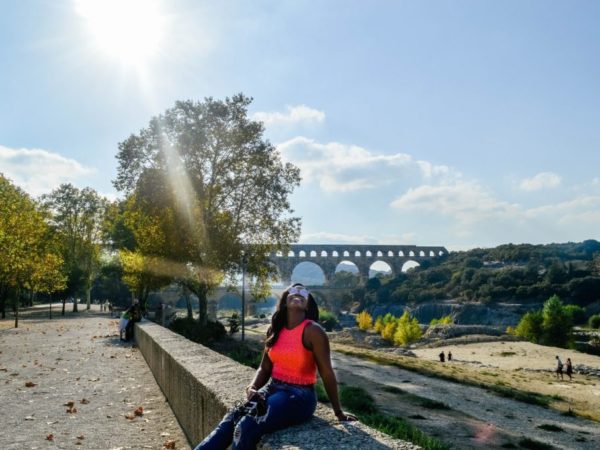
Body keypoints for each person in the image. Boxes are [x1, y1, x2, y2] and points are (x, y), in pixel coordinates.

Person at [194, 283, 356, 450]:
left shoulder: (314, 331)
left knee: (246, 426)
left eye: (303, 293)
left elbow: (327, 372)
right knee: (230, 419)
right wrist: (253, 387)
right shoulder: (274, 329)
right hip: (273, 388)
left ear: (308, 304)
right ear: (285, 300)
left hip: (300, 396)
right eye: (293, 291)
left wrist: (338, 412)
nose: (298, 292)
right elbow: (265, 368)